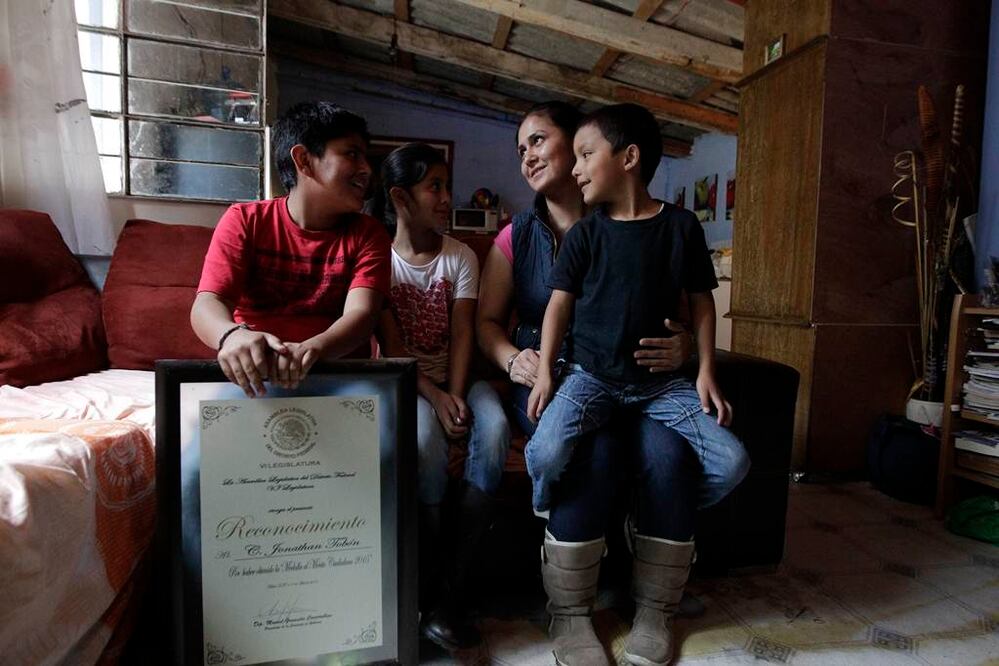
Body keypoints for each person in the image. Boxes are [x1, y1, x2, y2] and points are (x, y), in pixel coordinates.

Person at [478, 101, 748, 666]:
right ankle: (570, 610)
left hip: (654, 385)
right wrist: (526, 364)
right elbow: (505, 319)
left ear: (621, 157)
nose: (529, 156)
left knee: (679, 458)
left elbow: (692, 305)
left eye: (542, 142)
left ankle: (655, 603)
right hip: (580, 380)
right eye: (520, 147)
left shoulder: (671, 228)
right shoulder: (521, 235)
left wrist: (696, 358)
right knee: (586, 457)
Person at [373, 144, 510, 651]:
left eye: (447, 185)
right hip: (407, 382)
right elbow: (391, 351)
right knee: (426, 439)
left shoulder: (462, 256)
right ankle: (431, 584)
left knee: (493, 428)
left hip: (457, 377)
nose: (446, 197)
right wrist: (433, 398)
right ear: (400, 197)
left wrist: (455, 395)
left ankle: (450, 592)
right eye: (434, 186)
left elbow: (462, 337)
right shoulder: (378, 261)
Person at [191, 101, 391, 393]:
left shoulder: (368, 234)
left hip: (342, 375)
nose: (366, 170)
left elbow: (361, 316)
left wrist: (311, 351)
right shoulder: (245, 221)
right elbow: (208, 304)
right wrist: (231, 335)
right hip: (256, 377)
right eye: (352, 154)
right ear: (303, 160)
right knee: (204, 439)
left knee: (393, 434)